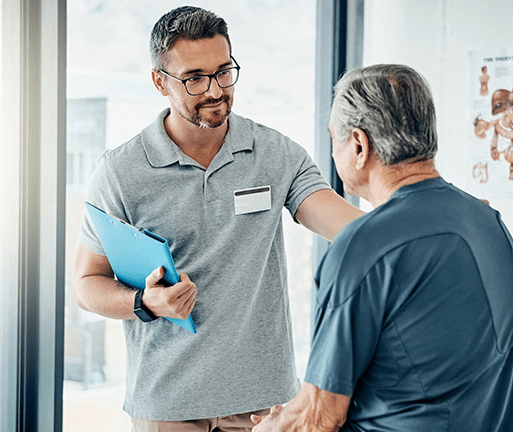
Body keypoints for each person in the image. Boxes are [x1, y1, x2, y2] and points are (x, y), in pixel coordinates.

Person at [73, 6, 363, 432]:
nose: (215, 90)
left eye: (224, 71)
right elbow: (86, 285)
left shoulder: (275, 154)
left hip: (261, 407)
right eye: (194, 78)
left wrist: (428, 214)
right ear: (160, 82)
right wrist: (145, 302)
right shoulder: (120, 171)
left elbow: (351, 226)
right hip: (167, 405)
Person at [252, 64, 513, 432]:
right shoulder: (490, 222)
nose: (333, 156)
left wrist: (271, 428)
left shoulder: (363, 245)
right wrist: (294, 413)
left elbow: (319, 418)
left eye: (334, 140)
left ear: (359, 145)